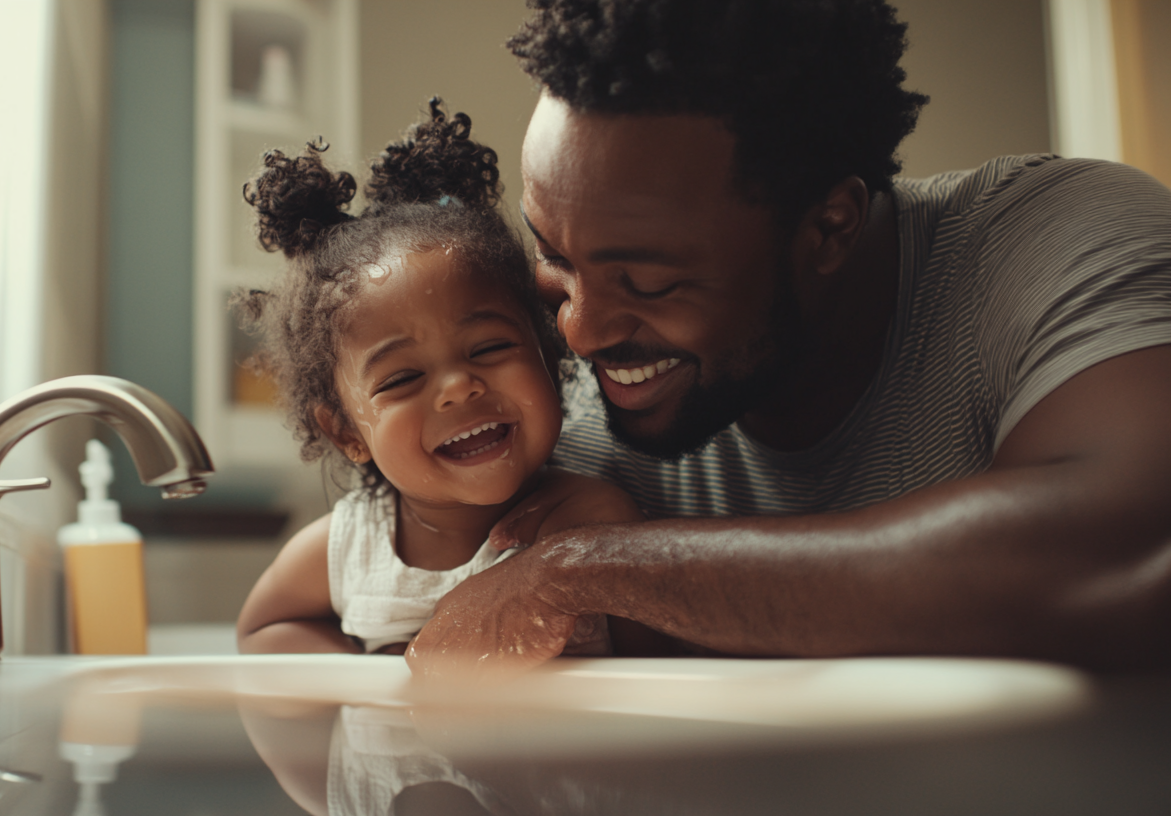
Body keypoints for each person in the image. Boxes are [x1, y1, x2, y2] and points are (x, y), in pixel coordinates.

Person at [405, 0, 1171, 679]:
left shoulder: (1067, 236)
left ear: (830, 227)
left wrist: (578, 570)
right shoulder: (546, 401)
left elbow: (1123, 553)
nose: (579, 329)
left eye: (649, 283)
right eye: (554, 257)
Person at [234, 100, 665, 656]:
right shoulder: (344, 549)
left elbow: (659, 678)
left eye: (488, 347)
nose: (459, 387)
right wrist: (376, 683)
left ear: (551, 359)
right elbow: (260, 633)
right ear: (346, 433)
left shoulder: (589, 523)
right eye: (403, 378)